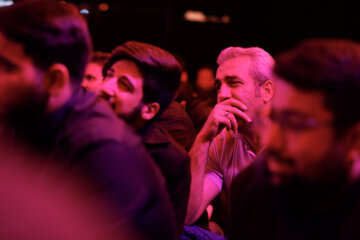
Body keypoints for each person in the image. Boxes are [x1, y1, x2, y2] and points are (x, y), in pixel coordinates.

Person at [0, 1, 176, 240]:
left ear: (54, 80)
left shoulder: (105, 149)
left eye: (6, 67)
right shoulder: (24, 116)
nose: (107, 87)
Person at [229, 39, 360, 240]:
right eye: (274, 119)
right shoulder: (252, 185)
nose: (271, 141)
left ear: (354, 139)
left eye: (296, 125)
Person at [100, 41, 191, 239]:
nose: (106, 88)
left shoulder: (168, 160)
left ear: (149, 110)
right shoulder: (73, 128)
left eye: (124, 84)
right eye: (109, 75)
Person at [184, 46, 275, 238]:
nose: (222, 95)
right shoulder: (225, 140)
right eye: (218, 86)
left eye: (234, 83)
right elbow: (187, 213)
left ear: (266, 91)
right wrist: (203, 139)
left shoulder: (294, 141)